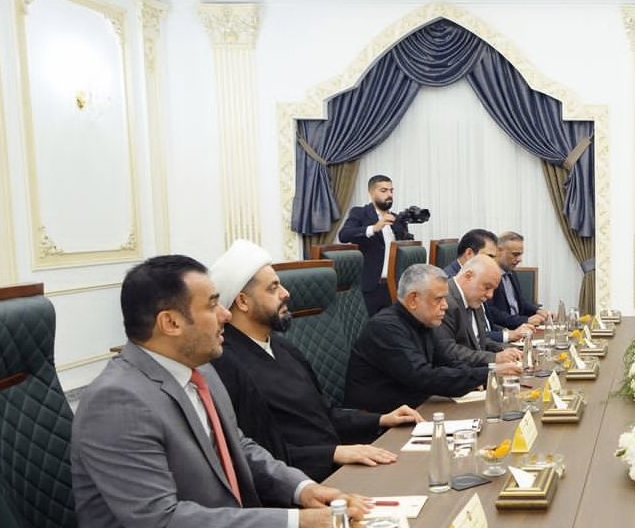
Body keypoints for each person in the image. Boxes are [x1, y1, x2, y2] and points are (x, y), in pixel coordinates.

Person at [70, 255, 369, 528]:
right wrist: (295, 525)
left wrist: (303, 489)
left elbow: (240, 446)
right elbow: (162, 523)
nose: (227, 314)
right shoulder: (118, 400)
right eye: (212, 304)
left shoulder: (200, 371)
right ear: (171, 322)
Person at [208, 240, 421, 483]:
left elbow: (324, 414)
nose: (286, 293)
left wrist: (382, 419)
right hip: (300, 484)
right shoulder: (226, 365)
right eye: (273, 288)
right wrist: (334, 454)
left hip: (337, 466)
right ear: (243, 302)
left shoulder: (283, 347)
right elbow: (258, 454)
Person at [344, 263, 507, 413]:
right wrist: (488, 373)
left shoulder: (423, 322)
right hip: (381, 421)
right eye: (439, 299)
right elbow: (423, 377)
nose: (445, 305)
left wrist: (474, 379)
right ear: (413, 300)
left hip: (417, 407)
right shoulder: (386, 328)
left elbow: (447, 361)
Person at [338, 174, 415, 316]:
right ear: (371, 193)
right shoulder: (360, 213)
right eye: (384, 190)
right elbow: (344, 235)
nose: (389, 195)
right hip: (370, 287)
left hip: (395, 287)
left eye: (391, 191)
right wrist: (374, 228)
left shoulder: (397, 219)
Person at [437, 255, 527, 366]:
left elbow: (479, 340)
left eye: (493, 289)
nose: (490, 295)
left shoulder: (474, 299)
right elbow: (449, 352)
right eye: (487, 287)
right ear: (468, 276)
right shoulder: (444, 300)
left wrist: (506, 350)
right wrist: (494, 358)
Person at [488, 231, 548, 332]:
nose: (519, 259)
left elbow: (520, 302)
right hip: (503, 332)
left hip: (521, 329)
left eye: (520, 255)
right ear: (498, 251)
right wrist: (525, 320)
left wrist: (538, 311)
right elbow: (491, 312)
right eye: (515, 254)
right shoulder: (487, 274)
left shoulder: (511, 272)